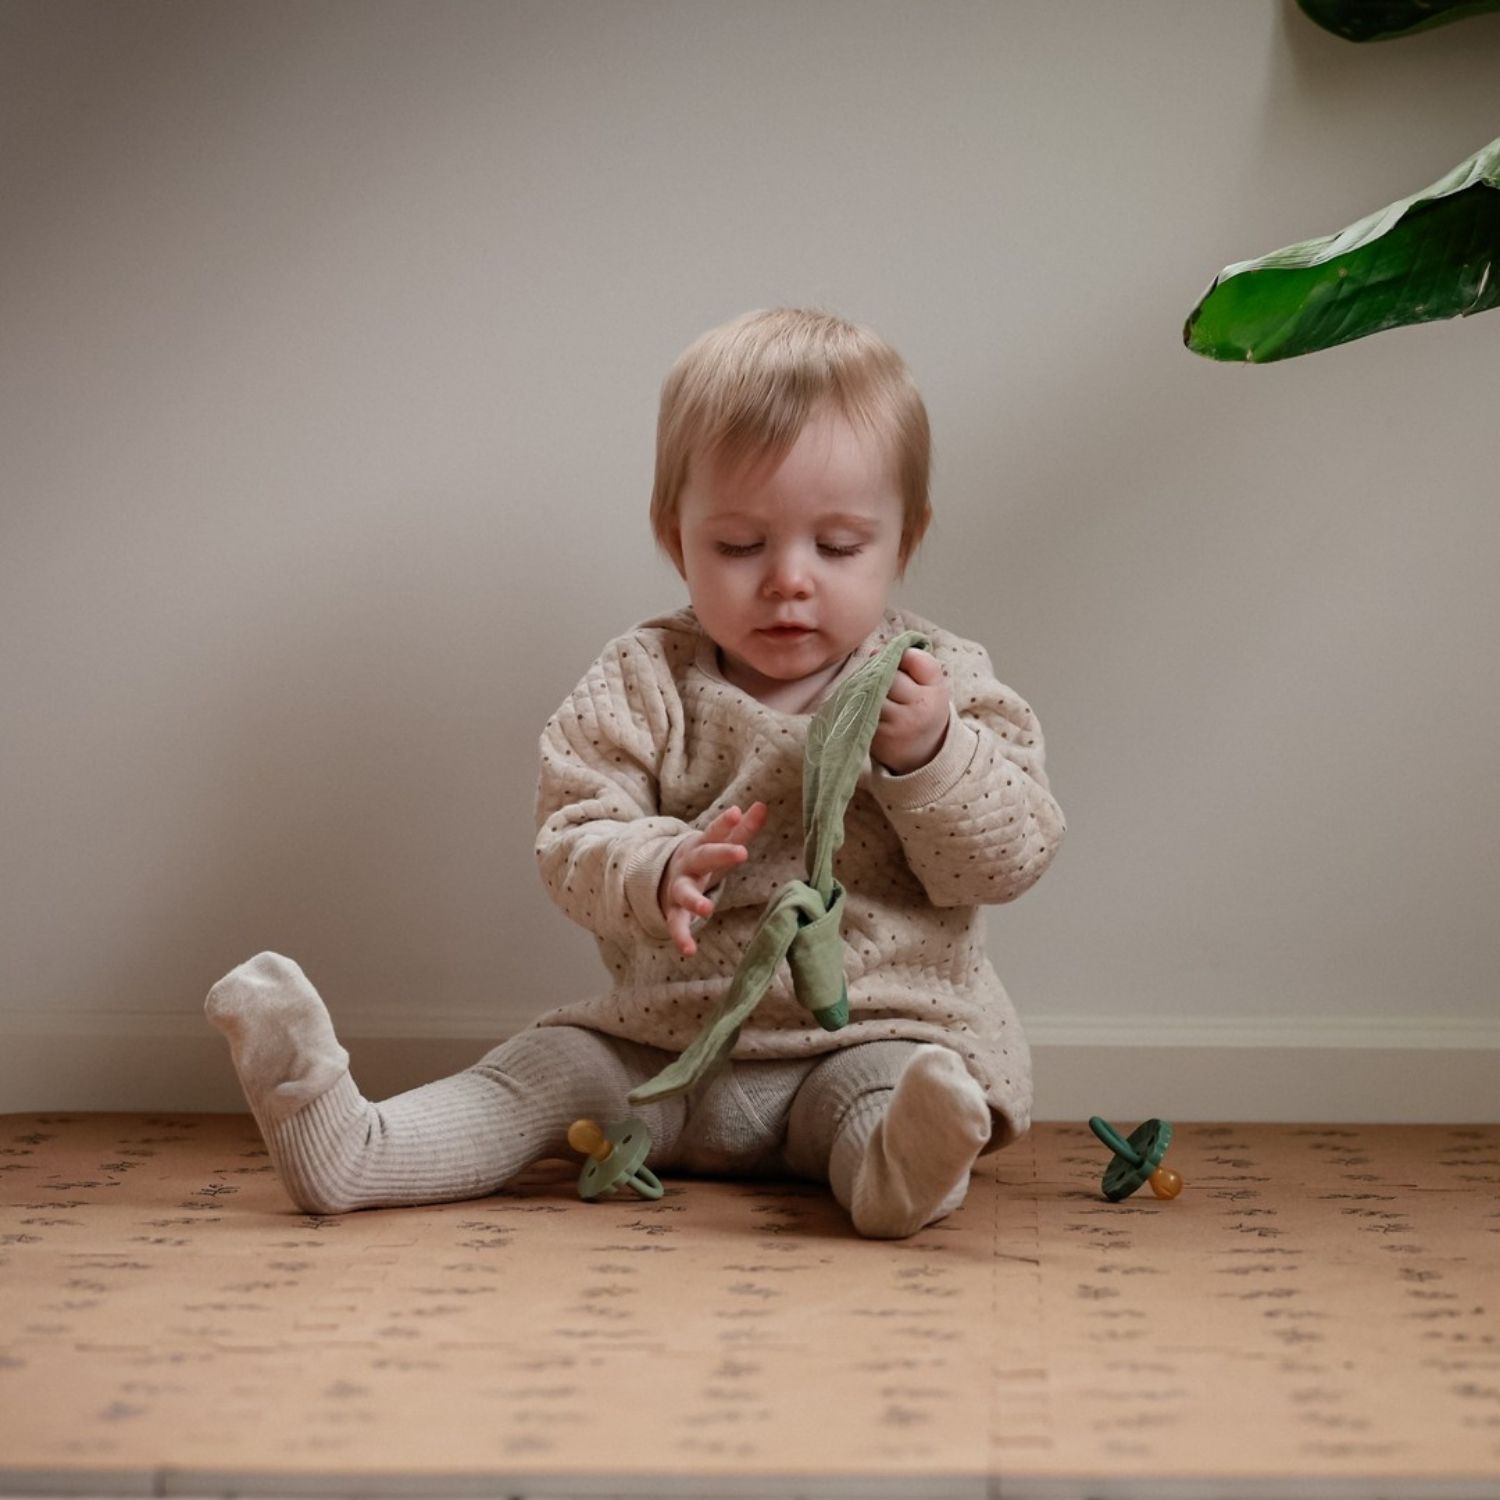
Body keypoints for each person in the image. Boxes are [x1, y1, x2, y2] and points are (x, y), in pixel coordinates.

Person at [206, 307, 1065, 1238]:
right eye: (740, 546)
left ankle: (902, 1169)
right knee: (546, 1070)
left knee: (888, 1094)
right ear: (675, 535)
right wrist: (657, 866)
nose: (787, 578)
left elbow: (1008, 859)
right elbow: (572, 834)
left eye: (838, 546)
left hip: (863, 1036)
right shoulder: (642, 678)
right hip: (663, 1044)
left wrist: (933, 757)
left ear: (905, 538)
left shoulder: (938, 679)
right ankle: (356, 1146)